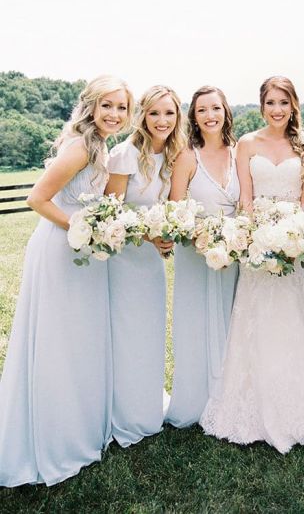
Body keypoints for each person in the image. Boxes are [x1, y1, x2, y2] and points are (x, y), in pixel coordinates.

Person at [0, 75, 134, 487]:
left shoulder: (101, 146)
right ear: (91, 107)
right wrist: (81, 229)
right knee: (60, 339)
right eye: (106, 105)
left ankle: (81, 423)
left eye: (121, 107)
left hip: (83, 253)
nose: (114, 114)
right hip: (62, 250)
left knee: (81, 339)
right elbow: (37, 198)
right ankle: (54, 437)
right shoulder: (79, 147)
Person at [200, 76, 304, 454]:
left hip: (294, 244)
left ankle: (299, 407)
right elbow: (246, 199)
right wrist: (253, 238)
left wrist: (299, 236)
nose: (277, 109)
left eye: (284, 102)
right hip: (257, 244)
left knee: (293, 319)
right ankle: (252, 408)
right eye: (270, 102)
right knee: (256, 322)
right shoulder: (247, 143)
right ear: (262, 105)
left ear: (294, 104)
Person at [105, 85, 185, 447]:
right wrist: (149, 235)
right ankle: (124, 410)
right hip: (123, 258)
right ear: (142, 116)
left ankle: (146, 404)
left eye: (169, 113)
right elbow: (111, 214)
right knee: (126, 332)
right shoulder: (125, 155)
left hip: (151, 262)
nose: (162, 120)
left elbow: (169, 205)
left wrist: (167, 233)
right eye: (154, 113)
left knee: (150, 331)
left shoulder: (173, 154)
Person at [166, 86, 239, 428]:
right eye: (201, 110)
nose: (210, 116)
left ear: (226, 111)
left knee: (232, 322)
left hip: (235, 255)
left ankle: (230, 398)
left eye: (215, 108)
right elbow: (175, 210)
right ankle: (195, 400)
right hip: (195, 255)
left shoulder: (240, 154)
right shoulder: (186, 156)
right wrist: (203, 239)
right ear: (193, 117)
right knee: (195, 321)